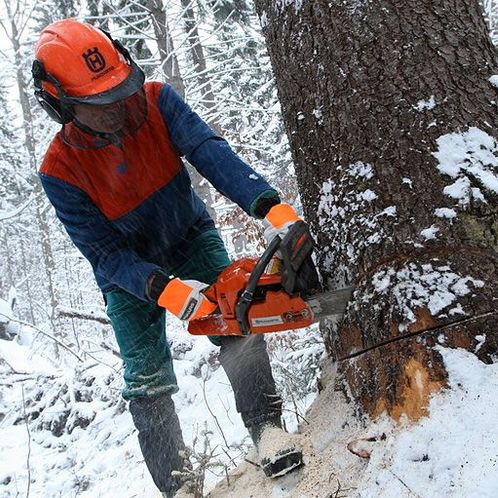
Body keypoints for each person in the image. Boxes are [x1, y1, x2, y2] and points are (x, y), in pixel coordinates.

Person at [33, 18, 316, 496]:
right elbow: (102, 252)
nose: (115, 108)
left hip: (188, 233)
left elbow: (210, 152)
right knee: (147, 378)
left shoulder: (158, 101)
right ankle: (179, 485)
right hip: (127, 272)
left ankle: (267, 430)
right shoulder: (58, 170)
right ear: (59, 103)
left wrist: (274, 209)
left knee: (236, 317)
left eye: (118, 91)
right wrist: (165, 290)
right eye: (98, 103)